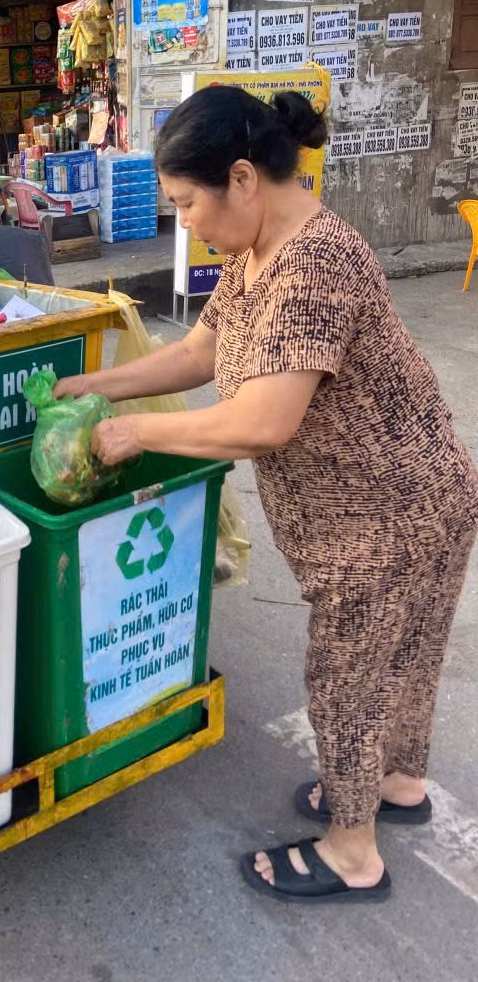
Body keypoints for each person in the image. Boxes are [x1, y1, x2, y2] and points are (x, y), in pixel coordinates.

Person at [56, 86, 478, 905]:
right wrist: (94, 386)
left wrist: (138, 433)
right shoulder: (258, 256)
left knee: (349, 680)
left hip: (388, 514)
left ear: (243, 179)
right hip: (421, 493)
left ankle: (353, 852)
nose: (186, 224)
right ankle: (396, 785)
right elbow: (199, 355)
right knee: (400, 660)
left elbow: (263, 421)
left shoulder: (312, 265)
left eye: (187, 203)